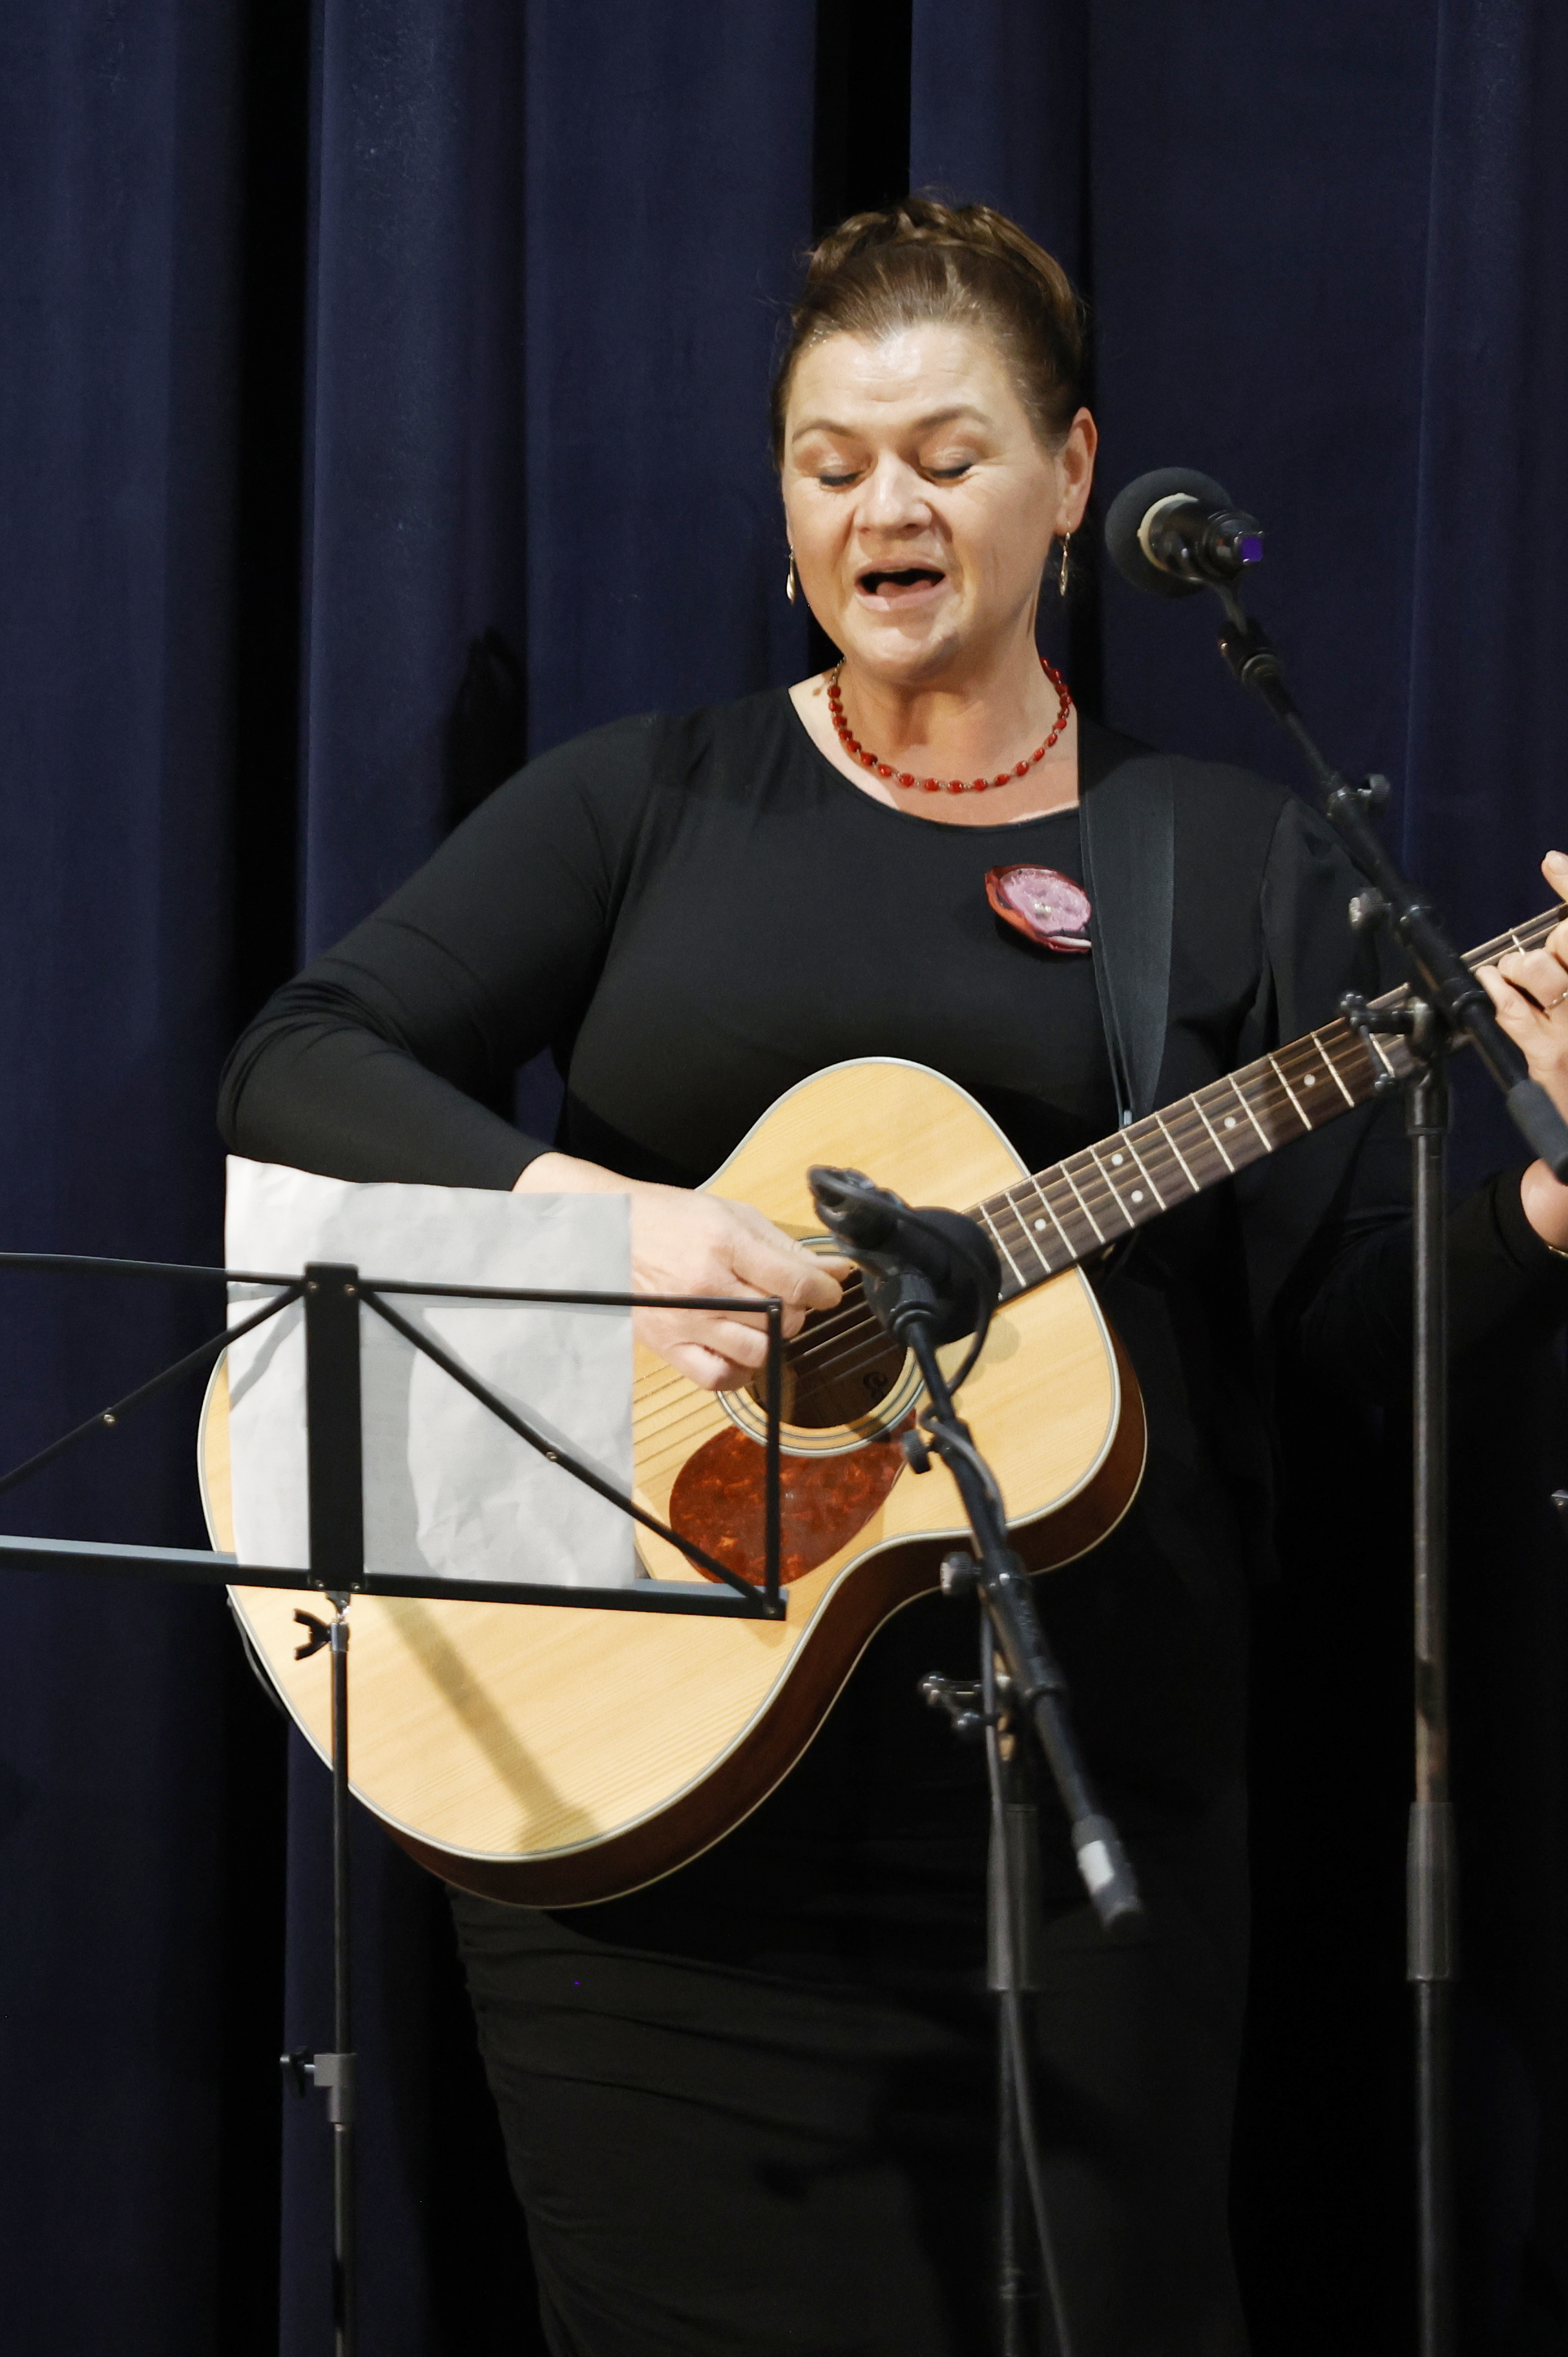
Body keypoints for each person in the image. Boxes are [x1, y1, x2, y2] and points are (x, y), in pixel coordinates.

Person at [220, 197, 1568, 2353]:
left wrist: (1548, 1214)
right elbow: (301, 1062)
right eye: (831, 463)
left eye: (947, 456)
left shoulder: (1225, 857)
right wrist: (610, 1221)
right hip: (643, 1797)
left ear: (1074, 471)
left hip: (1074, 1803)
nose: (886, 510)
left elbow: (1345, 1341)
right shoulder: (653, 800)